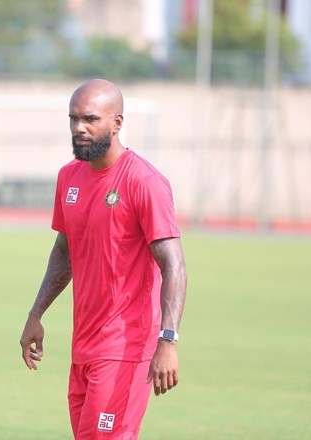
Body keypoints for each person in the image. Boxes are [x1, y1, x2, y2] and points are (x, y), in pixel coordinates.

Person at [20, 79, 187, 439]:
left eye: (90, 119)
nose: (79, 128)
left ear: (117, 123)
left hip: (126, 346)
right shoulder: (69, 177)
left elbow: (174, 266)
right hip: (83, 345)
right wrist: (36, 313)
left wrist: (168, 341)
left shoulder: (144, 181)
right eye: (74, 118)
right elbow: (64, 252)